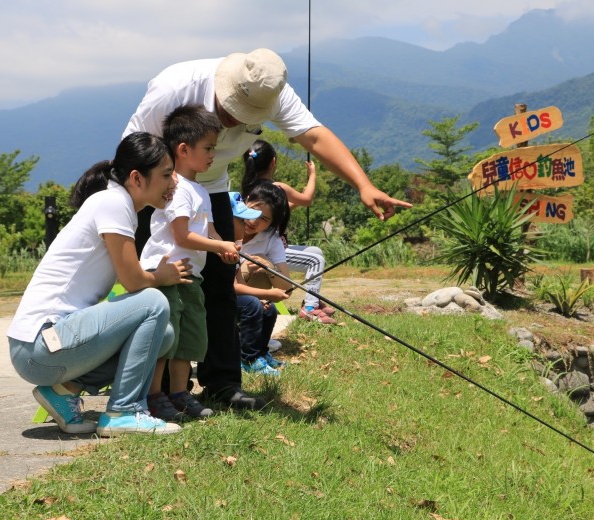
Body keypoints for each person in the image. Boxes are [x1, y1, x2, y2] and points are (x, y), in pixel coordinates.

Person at [124, 48, 411, 410]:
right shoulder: (175, 88)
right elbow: (132, 153)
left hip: (210, 190)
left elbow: (315, 137)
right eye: (231, 112)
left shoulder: (271, 92)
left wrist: (363, 185)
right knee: (161, 290)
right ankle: (155, 392)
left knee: (220, 288)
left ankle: (222, 384)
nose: (234, 123)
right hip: (157, 191)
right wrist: (135, 210)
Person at [7, 132, 191, 437]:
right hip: (39, 345)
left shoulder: (115, 204)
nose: (173, 184)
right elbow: (133, 281)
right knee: (154, 302)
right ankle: (124, 411)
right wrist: (161, 276)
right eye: (166, 174)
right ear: (137, 178)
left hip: (46, 347)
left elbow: (129, 278)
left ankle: (63, 391)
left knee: (164, 334)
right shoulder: (113, 203)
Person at [139, 105, 239, 422]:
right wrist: (218, 244)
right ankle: (154, 397)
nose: (213, 155)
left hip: (191, 276)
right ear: (184, 150)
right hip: (168, 274)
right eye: (208, 148)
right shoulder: (177, 188)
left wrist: (226, 247)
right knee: (166, 337)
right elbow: (182, 235)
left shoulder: (200, 190)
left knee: (190, 338)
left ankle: (180, 394)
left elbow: (208, 231)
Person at [241, 139, 336, 325]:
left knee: (316, 251)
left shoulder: (248, 189)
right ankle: (310, 307)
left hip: (268, 246)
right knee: (315, 260)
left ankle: (313, 299)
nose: (254, 220)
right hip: (263, 250)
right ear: (273, 162)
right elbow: (307, 199)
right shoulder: (277, 188)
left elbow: (274, 214)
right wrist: (312, 175)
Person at [233, 182, 292, 375]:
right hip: (226, 289)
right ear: (246, 200)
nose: (253, 221)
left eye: (264, 219)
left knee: (269, 309)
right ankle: (248, 359)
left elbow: (286, 288)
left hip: (243, 291)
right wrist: (263, 295)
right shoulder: (228, 226)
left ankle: (260, 353)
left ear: (272, 224)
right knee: (253, 304)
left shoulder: (271, 239)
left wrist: (269, 267)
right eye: (253, 212)